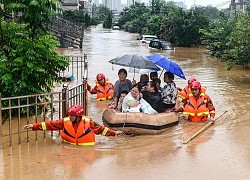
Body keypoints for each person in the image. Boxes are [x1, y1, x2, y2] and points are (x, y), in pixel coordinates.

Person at [24, 105, 122, 146]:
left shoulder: (89, 123)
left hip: (87, 151)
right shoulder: (65, 121)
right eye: (70, 116)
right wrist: (34, 126)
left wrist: (114, 133)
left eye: (72, 116)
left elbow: (101, 130)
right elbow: (50, 125)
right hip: (67, 147)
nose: (70, 118)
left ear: (79, 116)